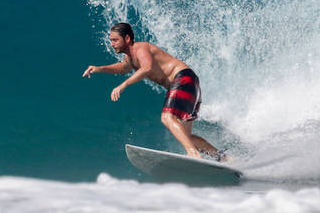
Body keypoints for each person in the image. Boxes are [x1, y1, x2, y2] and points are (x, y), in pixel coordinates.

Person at [83, 22, 223, 160]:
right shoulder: (130, 58)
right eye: (111, 40)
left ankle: (193, 153)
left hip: (183, 79)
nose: (112, 44)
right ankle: (222, 157)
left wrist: (122, 85)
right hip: (190, 83)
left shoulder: (140, 48)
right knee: (186, 136)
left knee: (167, 117)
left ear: (127, 38)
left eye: (115, 40)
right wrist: (99, 68)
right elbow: (122, 68)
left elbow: (147, 68)